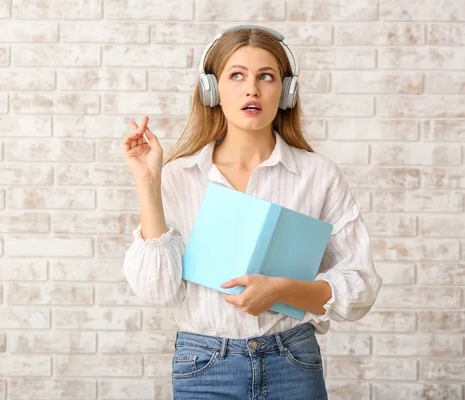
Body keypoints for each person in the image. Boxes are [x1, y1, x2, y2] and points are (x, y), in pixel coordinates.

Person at [121, 25, 382, 400]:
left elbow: (361, 287)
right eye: (237, 75)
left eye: (267, 76)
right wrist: (148, 182)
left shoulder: (317, 174)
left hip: (292, 361)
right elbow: (157, 291)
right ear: (212, 89)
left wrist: (283, 290)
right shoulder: (178, 176)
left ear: (286, 91)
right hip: (204, 366)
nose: (252, 89)